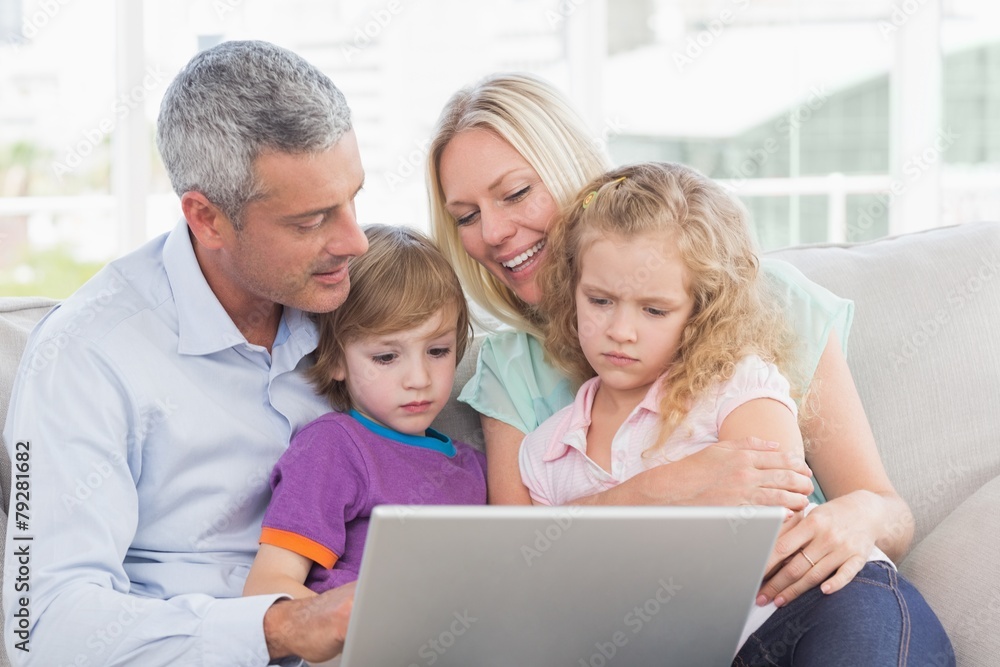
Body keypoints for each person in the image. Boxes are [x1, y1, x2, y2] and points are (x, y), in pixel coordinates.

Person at [426, 73, 916, 611]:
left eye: (516, 193)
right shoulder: (508, 367)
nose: (492, 232)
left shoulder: (769, 299)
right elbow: (518, 569)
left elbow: (888, 509)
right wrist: (668, 489)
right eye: (466, 217)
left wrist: (858, 517)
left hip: (812, 600)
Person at [3, 40, 366, 665]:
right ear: (207, 218)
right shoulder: (84, 354)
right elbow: (42, 627)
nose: (354, 240)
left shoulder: (361, 311)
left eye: (354, 197)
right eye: (311, 221)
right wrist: (277, 629)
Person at [518, 161, 952, 664]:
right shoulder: (544, 453)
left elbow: (765, 531)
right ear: (571, 292)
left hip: (829, 602)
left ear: (700, 312)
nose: (621, 330)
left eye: (654, 310)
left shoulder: (738, 386)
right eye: (600, 300)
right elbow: (541, 585)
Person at [242, 225, 486, 600]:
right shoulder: (333, 448)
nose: (419, 379)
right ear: (337, 359)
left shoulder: (475, 466)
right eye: (386, 357)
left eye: (438, 351)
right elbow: (268, 586)